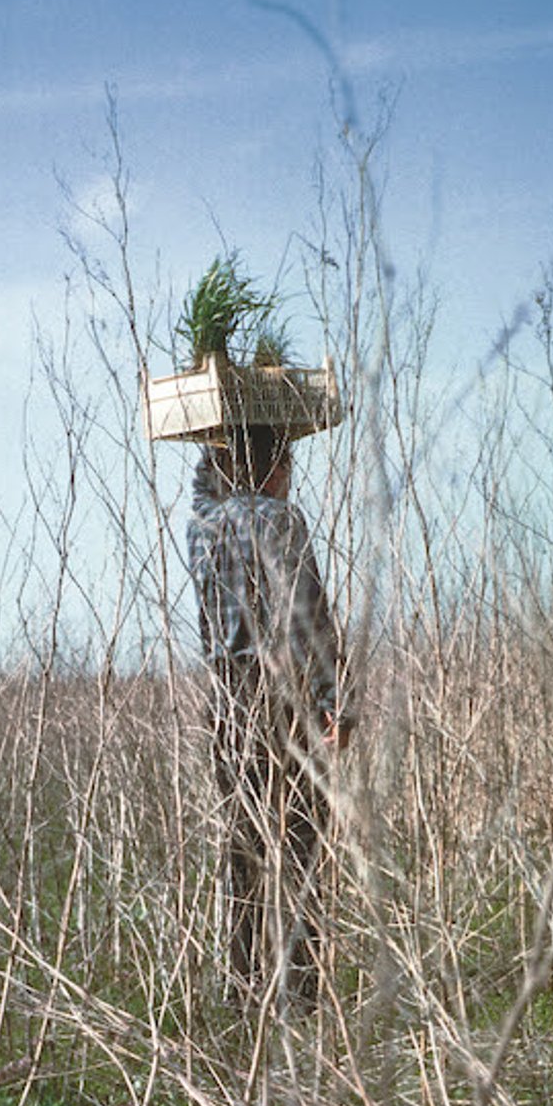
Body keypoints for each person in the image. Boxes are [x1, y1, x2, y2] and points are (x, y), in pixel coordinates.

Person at [187, 424, 353, 1010]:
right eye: (287, 466)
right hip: (282, 699)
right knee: (298, 848)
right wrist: (336, 702)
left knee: (242, 850)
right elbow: (311, 616)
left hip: (225, 704)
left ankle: (239, 990)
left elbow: (202, 487)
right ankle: (297, 995)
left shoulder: (201, 527)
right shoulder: (283, 522)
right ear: (275, 468)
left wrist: (220, 434)